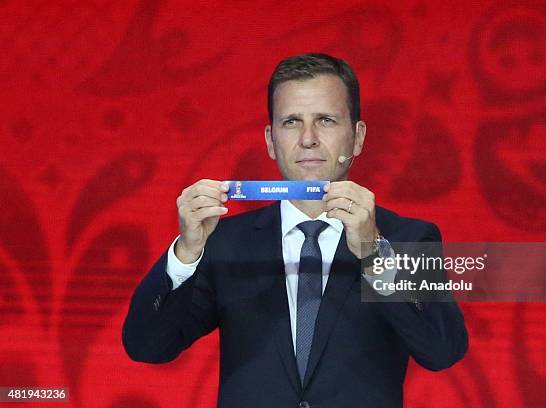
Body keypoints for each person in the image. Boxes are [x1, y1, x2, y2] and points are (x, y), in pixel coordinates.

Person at [122, 53, 468, 408]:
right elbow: (147, 347)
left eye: (326, 120)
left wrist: (373, 252)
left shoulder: (407, 238)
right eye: (291, 122)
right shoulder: (224, 244)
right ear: (271, 140)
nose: (308, 138)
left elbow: (443, 350)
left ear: (358, 136)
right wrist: (185, 254)